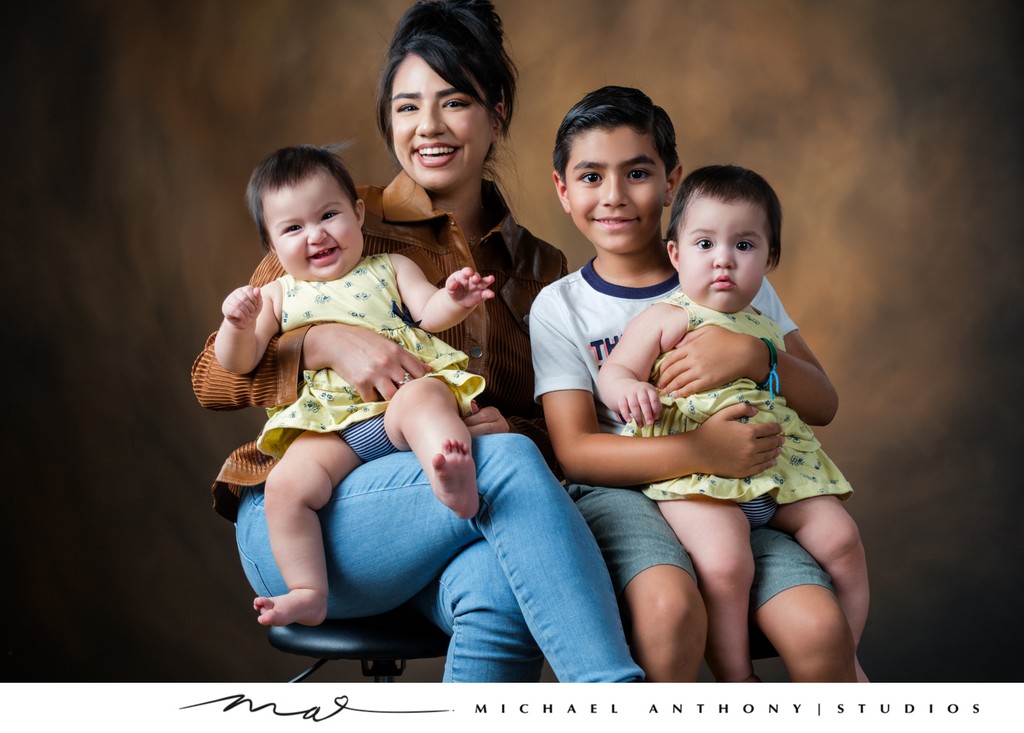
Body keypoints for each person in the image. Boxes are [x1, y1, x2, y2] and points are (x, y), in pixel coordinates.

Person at [191, 0, 643, 682]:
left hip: (448, 505)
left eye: (454, 102)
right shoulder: (331, 220)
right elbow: (211, 379)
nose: (427, 127)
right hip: (307, 514)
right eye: (406, 107)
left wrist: (511, 423)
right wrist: (324, 342)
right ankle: (614, 698)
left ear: (496, 116)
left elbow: (566, 431)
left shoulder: (541, 268)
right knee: (508, 465)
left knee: (502, 587)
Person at [530, 85, 858, 681]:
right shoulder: (561, 307)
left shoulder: (733, 276)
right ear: (562, 189)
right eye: (591, 177)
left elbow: (825, 404)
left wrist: (756, 358)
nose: (614, 197)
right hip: (627, 494)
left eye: (636, 173)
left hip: (750, 491)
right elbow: (575, 454)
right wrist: (698, 452)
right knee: (670, 611)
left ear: (672, 180)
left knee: (819, 631)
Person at [597, 163, 870, 682]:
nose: (723, 259)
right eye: (704, 244)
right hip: (701, 479)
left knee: (841, 540)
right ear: (675, 254)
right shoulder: (663, 318)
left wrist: (761, 355)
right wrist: (630, 389)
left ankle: (847, 656)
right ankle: (735, 676)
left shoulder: (765, 324)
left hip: (778, 468)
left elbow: (821, 396)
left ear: (769, 259)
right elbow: (616, 370)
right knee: (726, 564)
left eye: (744, 246)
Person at [216, 144, 496, 627]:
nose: (317, 235)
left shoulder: (390, 268)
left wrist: (456, 298)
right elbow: (237, 363)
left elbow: (429, 313)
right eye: (293, 228)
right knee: (285, 485)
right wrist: (237, 325)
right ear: (271, 245)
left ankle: (449, 474)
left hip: (395, 406)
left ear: (357, 212)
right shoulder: (278, 294)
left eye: (329, 215)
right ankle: (308, 589)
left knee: (426, 397)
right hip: (327, 429)